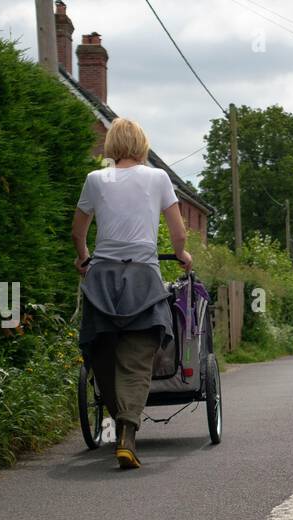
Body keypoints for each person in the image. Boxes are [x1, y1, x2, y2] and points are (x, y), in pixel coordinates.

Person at [72, 117, 192, 469]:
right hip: (142, 278)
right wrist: (182, 254)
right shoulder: (157, 178)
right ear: (142, 146)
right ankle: (127, 433)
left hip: (103, 279)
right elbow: (179, 233)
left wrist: (84, 260)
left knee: (103, 352)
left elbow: (78, 233)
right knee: (138, 357)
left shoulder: (95, 180)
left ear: (111, 146)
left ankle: (119, 421)